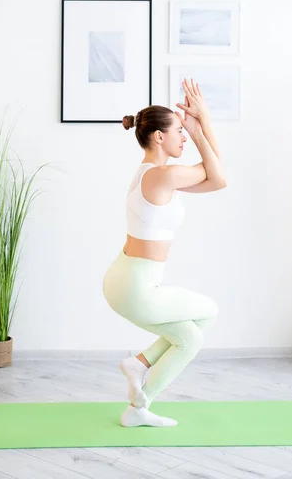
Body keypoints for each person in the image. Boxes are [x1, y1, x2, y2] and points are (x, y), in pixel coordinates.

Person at [102, 78, 227, 427]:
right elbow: (218, 174)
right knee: (207, 315)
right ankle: (140, 399)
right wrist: (201, 124)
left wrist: (199, 124)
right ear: (159, 136)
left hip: (130, 277)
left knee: (189, 334)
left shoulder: (157, 175)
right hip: (134, 285)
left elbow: (217, 178)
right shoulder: (161, 176)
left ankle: (138, 369)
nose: (184, 136)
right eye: (179, 131)